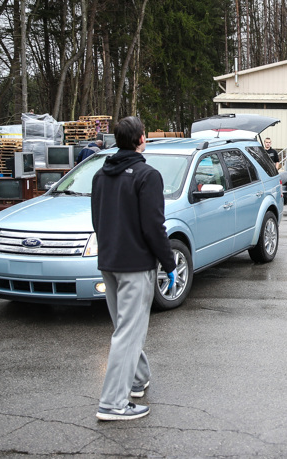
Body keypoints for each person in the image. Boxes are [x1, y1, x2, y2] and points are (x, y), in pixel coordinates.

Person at [91, 116, 177, 422]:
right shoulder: (147, 175)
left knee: (123, 329)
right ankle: (113, 403)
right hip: (136, 266)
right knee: (128, 333)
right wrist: (169, 264)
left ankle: (138, 380)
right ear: (141, 139)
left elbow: (96, 220)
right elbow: (154, 227)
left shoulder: (101, 175)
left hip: (109, 262)